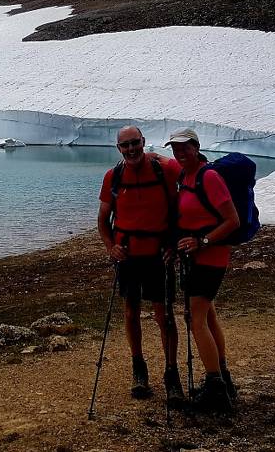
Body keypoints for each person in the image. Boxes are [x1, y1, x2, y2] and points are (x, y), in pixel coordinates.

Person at [96, 125, 185, 403]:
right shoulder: (113, 176)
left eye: (136, 143)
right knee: (131, 312)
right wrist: (111, 248)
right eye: (126, 145)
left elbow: (190, 186)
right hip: (129, 255)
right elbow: (103, 220)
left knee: (165, 317)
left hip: (159, 254)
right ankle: (139, 369)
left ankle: (171, 374)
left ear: (144, 142)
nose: (132, 149)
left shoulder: (164, 171)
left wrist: (175, 244)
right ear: (119, 148)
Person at [165, 127, 240, 413]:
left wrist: (202, 242)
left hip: (211, 258)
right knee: (208, 316)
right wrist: (179, 245)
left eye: (185, 148)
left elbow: (232, 220)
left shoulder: (209, 177)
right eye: (175, 149)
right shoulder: (186, 177)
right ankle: (223, 378)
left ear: (196, 147)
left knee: (196, 320)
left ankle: (215, 388)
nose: (180, 153)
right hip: (196, 257)